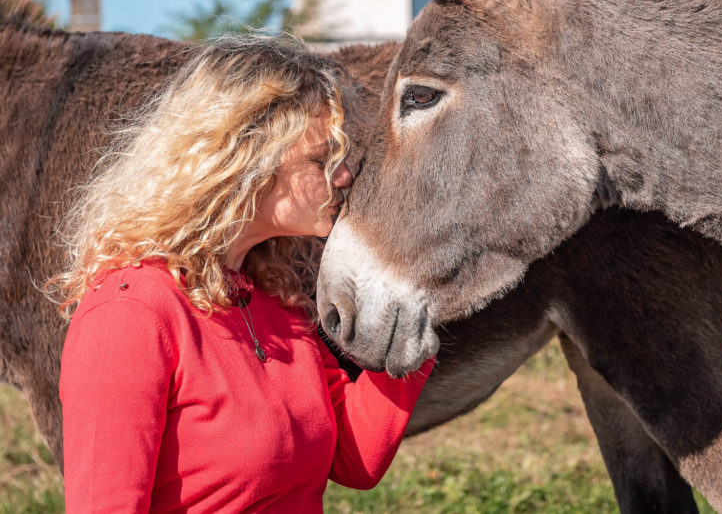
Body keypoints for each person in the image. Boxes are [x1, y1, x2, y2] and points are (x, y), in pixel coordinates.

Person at [50, 35, 434, 512]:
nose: (343, 176)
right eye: (320, 160)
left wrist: (414, 321)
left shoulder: (272, 297)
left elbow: (352, 458)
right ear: (244, 165)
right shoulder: (130, 314)